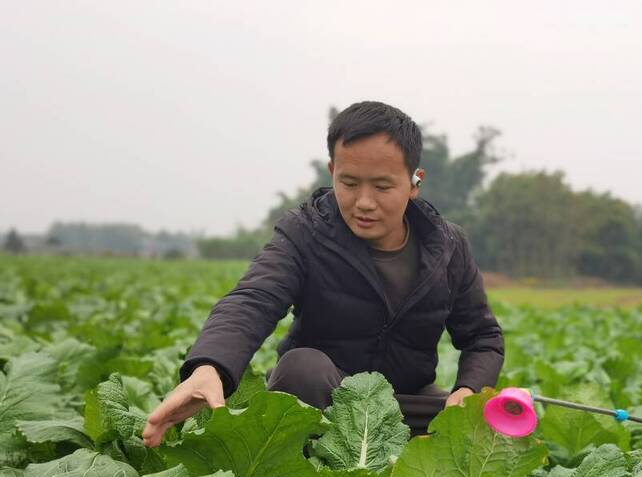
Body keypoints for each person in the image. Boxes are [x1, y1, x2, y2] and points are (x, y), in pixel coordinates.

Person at [142, 101, 503, 446]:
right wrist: (209, 366)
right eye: (348, 183)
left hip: (403, 404)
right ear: (332, 171)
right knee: (301, 367)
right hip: (323, 399)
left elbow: (482, 336)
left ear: (414, 181)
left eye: (382, 187)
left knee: (485, 428)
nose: (363, 202)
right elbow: (253, 298)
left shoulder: (448, 245)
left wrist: (467, 391)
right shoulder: (305, 231)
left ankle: (410, 449)